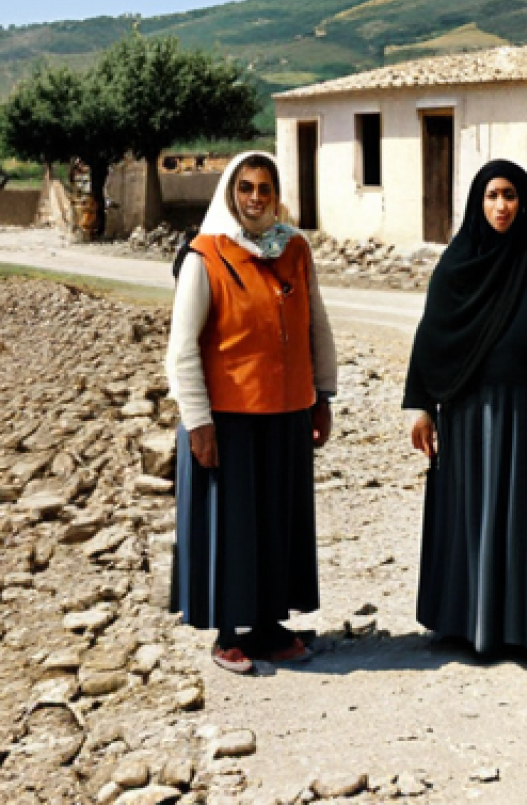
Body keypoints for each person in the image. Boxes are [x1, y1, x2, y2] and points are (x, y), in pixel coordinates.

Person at [404, 159, 527, 655]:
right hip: (471, 412)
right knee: (476, 515)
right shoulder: (457, 262)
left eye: (511, 195)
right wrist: (420, 406)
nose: (501, 206)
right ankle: (473, 623)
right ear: (478, 201)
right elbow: (431, 337)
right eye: (492, 195)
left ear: (524, 201)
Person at [166, 151, 337, 674]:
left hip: (286, 411)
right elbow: (182, 349)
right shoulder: (205, 256)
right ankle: (226, 633)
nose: (256, 198)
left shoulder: (295, 250)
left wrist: (322, 394)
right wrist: (199, 421)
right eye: (246, 188)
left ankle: (269, 626)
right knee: (230, 527)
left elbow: (316, 325)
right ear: (230, 193)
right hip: (228, 418)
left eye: (265, 188)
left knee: (276, 522)